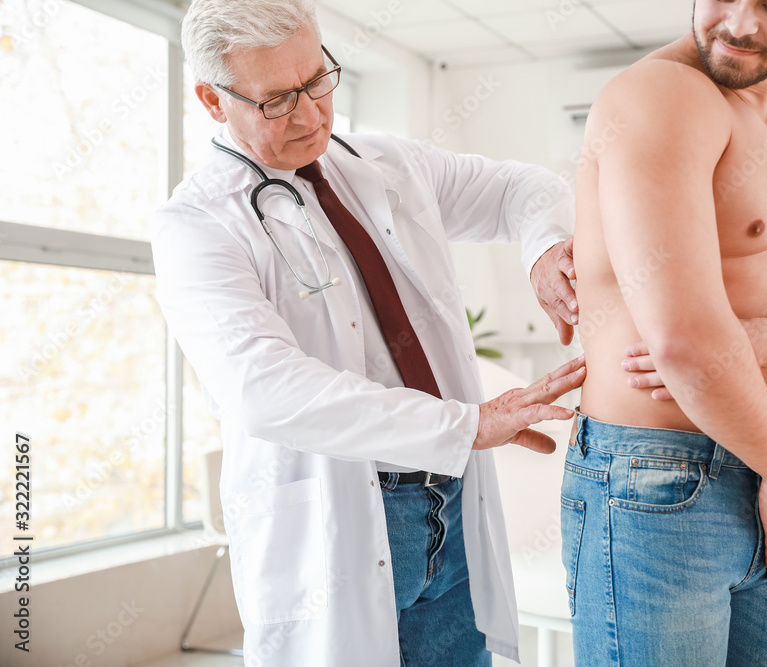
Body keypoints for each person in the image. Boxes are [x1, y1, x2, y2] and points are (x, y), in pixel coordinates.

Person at [152, 1, 584, 664]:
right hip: (345, 520)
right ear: (213, 100)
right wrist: (462, 425)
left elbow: (518, 189)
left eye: (318, 79)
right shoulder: (197, 224)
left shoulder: (385, 164)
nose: (311, 113)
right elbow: (262, 388)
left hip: (451, 503)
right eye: (276, 101)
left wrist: (544, 249)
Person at [565, 0, 767, 664]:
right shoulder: (658, 96)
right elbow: (683, 340)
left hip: (759, 467)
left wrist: (754, 342)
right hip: (653, 474)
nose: (740, 23)